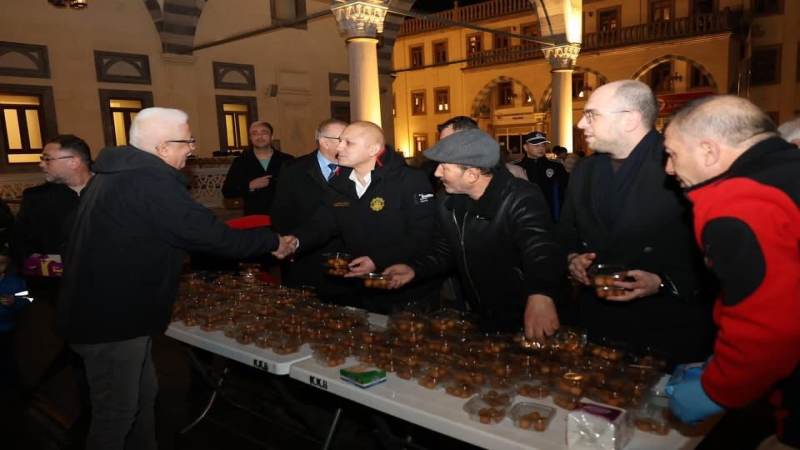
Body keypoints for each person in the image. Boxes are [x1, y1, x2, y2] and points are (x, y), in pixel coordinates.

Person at [57, 107, 293, 450]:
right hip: (112, 319)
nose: (193, 149)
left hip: (111, 312)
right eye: (188, 141)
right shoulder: (149, 181)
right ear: (163, 147)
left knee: (143, 395)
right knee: (116, 413)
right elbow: (210, 235)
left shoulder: (115, 174)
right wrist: (272, 242)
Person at [662, 95, 799, 450]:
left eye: (673, 154)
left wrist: (719, 387)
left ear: (708, 151)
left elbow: (770, 325)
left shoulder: (739, 203)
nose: (669, 169)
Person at [557, 79, 714, 367]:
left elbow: (716, 250)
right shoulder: (585, 170)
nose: (581, 124)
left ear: (629, 119)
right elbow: (566, 231)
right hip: (598, 325)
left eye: (591, 115)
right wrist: (572, 258)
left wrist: (663, 282)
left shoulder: (680, 164)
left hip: (668, 326)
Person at [383, 129, 564, 336]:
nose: (437, 173)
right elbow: (445, 250)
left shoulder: (521, 197)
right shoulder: (446, 201)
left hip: (527, 313)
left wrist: (541, 294)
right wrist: (415, 270)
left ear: (472, 174)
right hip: (482, 313)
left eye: (444, 167)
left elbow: (540, 249)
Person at [289, 121, 438, 313]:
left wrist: (377, 259)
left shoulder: (409, 180)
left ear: (373, 149)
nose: (339, 148)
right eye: (340, 141)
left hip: (406, 288)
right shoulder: (340, 182)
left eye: (348, 143)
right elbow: (322, 223)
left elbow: (422, 234)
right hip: (363, 288)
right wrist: (294, 241)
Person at [271, 119, 351, 301]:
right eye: (343, 139)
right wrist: (293, 245)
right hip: (305, 256)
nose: (348, 145)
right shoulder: (294, 169)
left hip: (347, 257)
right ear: (325, 142)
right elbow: (281, 213)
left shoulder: (356, 168)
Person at [222, 121, 294, 215]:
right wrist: (249, 186)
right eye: (254, 133)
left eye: (264, 132)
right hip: (254, 216)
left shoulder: (287, 160)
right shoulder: (241, 162)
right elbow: (227, 191)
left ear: (272, 137)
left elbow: (298, 189)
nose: (259, 136)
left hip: (283, 215)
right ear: (250, 138)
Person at [515, 131, 568, 221]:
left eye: (543, 145)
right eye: (536, 145)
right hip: (523, 216)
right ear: (525, 147)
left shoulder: (556, 167)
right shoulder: (517, 168)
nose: (541, 148)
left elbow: (566, 191)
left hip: (551, 216)